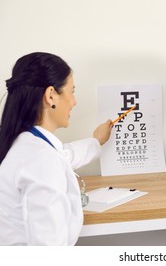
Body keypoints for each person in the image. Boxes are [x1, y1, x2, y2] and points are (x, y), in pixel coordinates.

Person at [0, 52, 112, 246]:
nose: (74, 101)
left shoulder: (23, 144)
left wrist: (96, 141)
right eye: (72, 91)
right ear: (51, 95)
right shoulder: (41, 159)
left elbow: (64, 155)